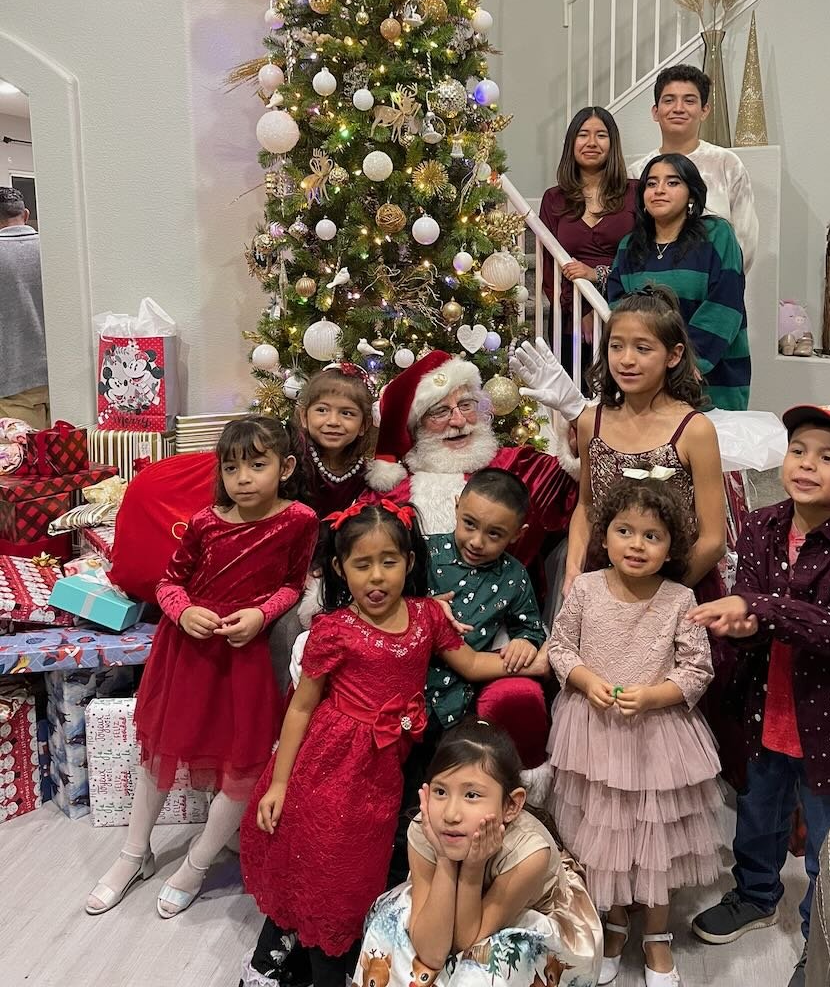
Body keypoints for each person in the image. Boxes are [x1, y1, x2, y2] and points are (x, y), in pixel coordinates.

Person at [239, 501, 548, 987]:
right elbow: (301, 707)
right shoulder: (334, 630)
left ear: (409, 561)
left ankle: (339, 951)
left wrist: (540, 660)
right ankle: (296, 961)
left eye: (389, 561)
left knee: (359, 868)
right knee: (323, 861)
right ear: (340, 568)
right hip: (331, 763)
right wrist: (279, 783)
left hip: (388, 766)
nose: (377, 576)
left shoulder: (426, 617)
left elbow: (471, 664)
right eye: (362, 564)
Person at [688, 404, 830, 987]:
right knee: (757, 814)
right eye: (798, 450)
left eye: (828, 457)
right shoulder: (762, 526)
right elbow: (752, 605)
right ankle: (755, 895)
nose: (806, 464)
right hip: (765, 707)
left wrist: (758, 607)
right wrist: (741, 622)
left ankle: (821, 942)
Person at [84, 417, 317, 919]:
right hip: (188, 653)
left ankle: (197, 862)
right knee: (162, 750)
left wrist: (261, 615)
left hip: (244, 657)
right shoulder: (206, 522)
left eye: (257, 465)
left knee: (242, 760)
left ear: (285, 467)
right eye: (231, 468)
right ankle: (134, 854)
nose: (243, 478)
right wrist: (183, 611)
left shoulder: (300, 520)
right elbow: (168, 583)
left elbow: (292, 585)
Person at [548, 480, 723, 987]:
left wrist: (652, 696)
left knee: (655, 841)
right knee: (605, 836)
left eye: (653, 536)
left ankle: (657, 935)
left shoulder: (680, 598)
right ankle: (616, 922)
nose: (637, 545)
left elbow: (697, 668)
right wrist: (586, 680)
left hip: (658, 737)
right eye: (624, 531)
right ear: (604, 535)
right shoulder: (584, 589)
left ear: (672, 546)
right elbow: (560, 648)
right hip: (594, 733)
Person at [356, 718, 602, 987]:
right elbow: (432, 953)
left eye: (471, 795)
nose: (451, 814)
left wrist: (474, 867)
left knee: (480, 971)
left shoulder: (529, 853)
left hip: (528, 913)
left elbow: (467, 942)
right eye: (440, 791)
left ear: (511, 805)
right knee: (390, 926)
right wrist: (444, 859)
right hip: (456, 902)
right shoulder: (425, 830)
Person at [562, 287, 726, 602]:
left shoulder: (695, 430)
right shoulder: (590, 422)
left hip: (678, 587)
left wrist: (659, 598)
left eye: (642, 348)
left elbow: (713, 540)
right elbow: (586, 506)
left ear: (673, 355)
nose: (626, 360)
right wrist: (572, 570)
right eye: (616, 346)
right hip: (605, 584)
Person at [364, 350, 578, 578]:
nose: (458, 421)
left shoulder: (521, 466)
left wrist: (577, 415)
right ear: (416, 427)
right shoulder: (392, 497)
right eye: (440, 411)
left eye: (466, 405)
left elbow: (589, 484)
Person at [607, 154, 750, 411]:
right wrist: (648, 361)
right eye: (651, 184)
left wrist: (687, 364)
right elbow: (620, 309)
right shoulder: (630, 246)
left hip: (709, 381)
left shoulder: (717, 235)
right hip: (646, 383)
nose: (659, 190)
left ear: (691, 194)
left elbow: (725, 305)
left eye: (672, 183)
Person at [425, 468, 547, 763]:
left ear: (518, 534)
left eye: (494, 534)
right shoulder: (425, 552)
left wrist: (525, 641)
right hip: (406, 687)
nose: (477, 542)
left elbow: (530, 626)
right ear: (457, 507)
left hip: (458, 703)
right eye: (469, 524)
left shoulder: (514, 576)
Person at [629, 64, 758, 272]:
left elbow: (745, 237)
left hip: (716, 283)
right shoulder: (636, 172)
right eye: (669, 100)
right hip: (650, 286)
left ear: (704, 110)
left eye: (689, 101)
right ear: (655, 111)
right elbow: (634, 237)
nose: (678, 108)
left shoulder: (727, 164)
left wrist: (722, 280)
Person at [538, 107, 638, 369]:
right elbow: (549, 268)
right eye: (583, 135)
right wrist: (578, 313)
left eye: (601, 135)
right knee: (574, 392)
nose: (592, 142)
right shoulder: (553, 199)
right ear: (571, 143)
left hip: (627, 314)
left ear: (612, 144)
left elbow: (642, 257)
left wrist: (602, 302)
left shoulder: (635, 193)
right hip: (570, 320)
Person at [294, 363, 376, 628]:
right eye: (322, 410)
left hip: (334, 562)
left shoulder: (364, 472)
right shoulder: (294, 460)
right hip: (288, 559)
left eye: (347, 413)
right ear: (304, 417)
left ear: (364, 425)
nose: (333, 421)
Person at [0, 186, 49, 428]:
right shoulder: (52, 249)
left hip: (12, 386)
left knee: (21, 452)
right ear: (26, 214)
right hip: (62, 381)